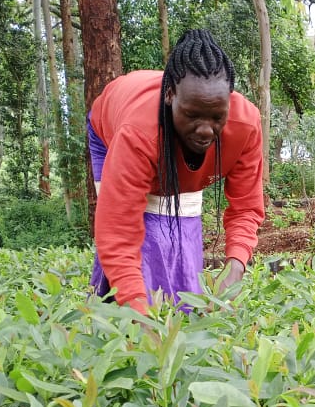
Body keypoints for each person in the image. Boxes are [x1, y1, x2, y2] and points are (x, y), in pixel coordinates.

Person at [88, 29, 265, 312]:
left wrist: (235, 268)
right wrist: (141, 318)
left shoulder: (245, 125)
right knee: (148, 230)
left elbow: (246, 207)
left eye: (217, 117)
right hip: (108, 129)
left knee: (183, 223)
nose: (206, 130)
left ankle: (180, 311)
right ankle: (106, 307)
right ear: (170, 95)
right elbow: (118, 232)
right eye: (193, 115)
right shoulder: (138, 134)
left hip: (153, 135)